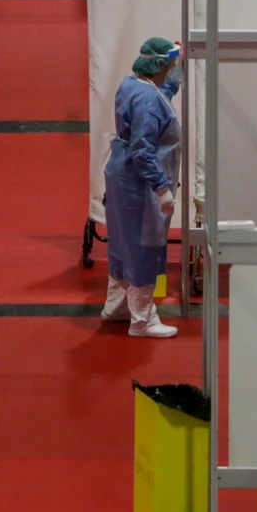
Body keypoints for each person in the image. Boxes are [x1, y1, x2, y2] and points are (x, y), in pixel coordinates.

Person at [102, 37, 182, 339]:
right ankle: (143, 320)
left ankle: (116, 307)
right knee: (144, 247)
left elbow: (167, 88)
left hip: (122, 178)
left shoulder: (134, 85)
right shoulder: (149, 103)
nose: (174, 69)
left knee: (122, 243)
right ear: (161, 65)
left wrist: (181, 57)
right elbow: (143, 149)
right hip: (141, 185)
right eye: (172, 65)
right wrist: (162, 188)